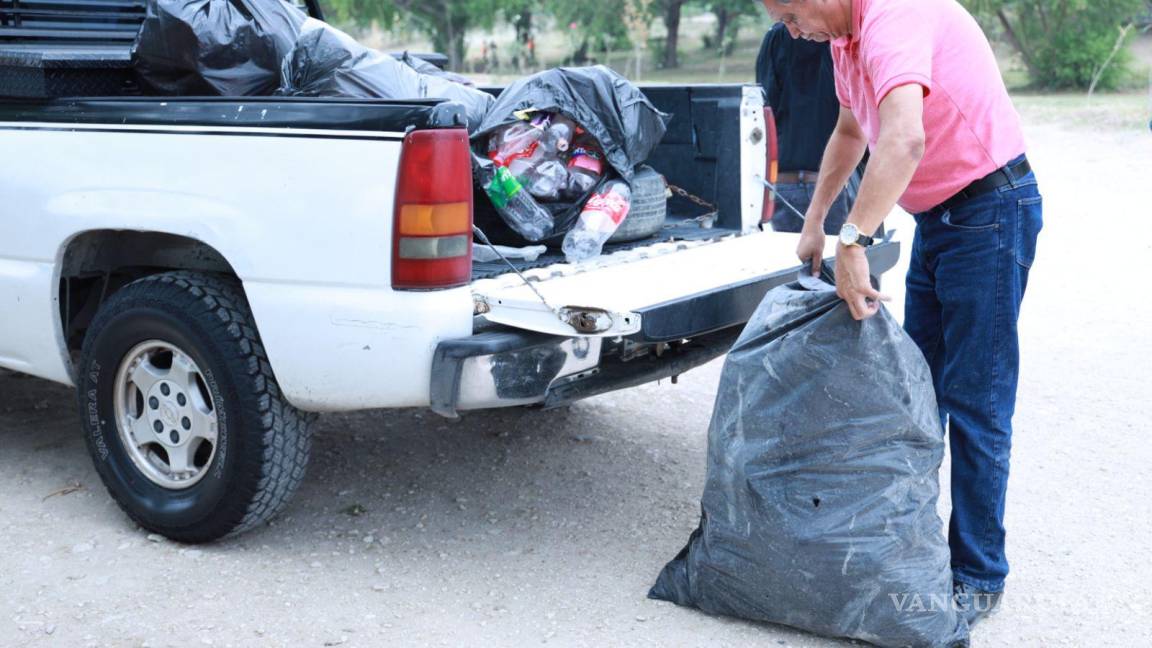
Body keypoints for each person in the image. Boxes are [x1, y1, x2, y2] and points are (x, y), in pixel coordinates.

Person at [761, 0, 1043, 627]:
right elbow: (850, 133)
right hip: (942, 219)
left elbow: (905, 136)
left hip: (991, 211)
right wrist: (815, 223)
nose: (791, 32)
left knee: (975, 401)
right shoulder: (844, 41)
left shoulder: (895, 13)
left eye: (788, 15)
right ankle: (920, 549)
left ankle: (977, 575)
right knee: (918, 394)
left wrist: (854, 242)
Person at [756, 22, 860, 234]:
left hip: (788, 179)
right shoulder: (840, 35)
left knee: (792, 262)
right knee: (835, 262)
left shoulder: (776, 36)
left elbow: (763, 106)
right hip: (833, 179)